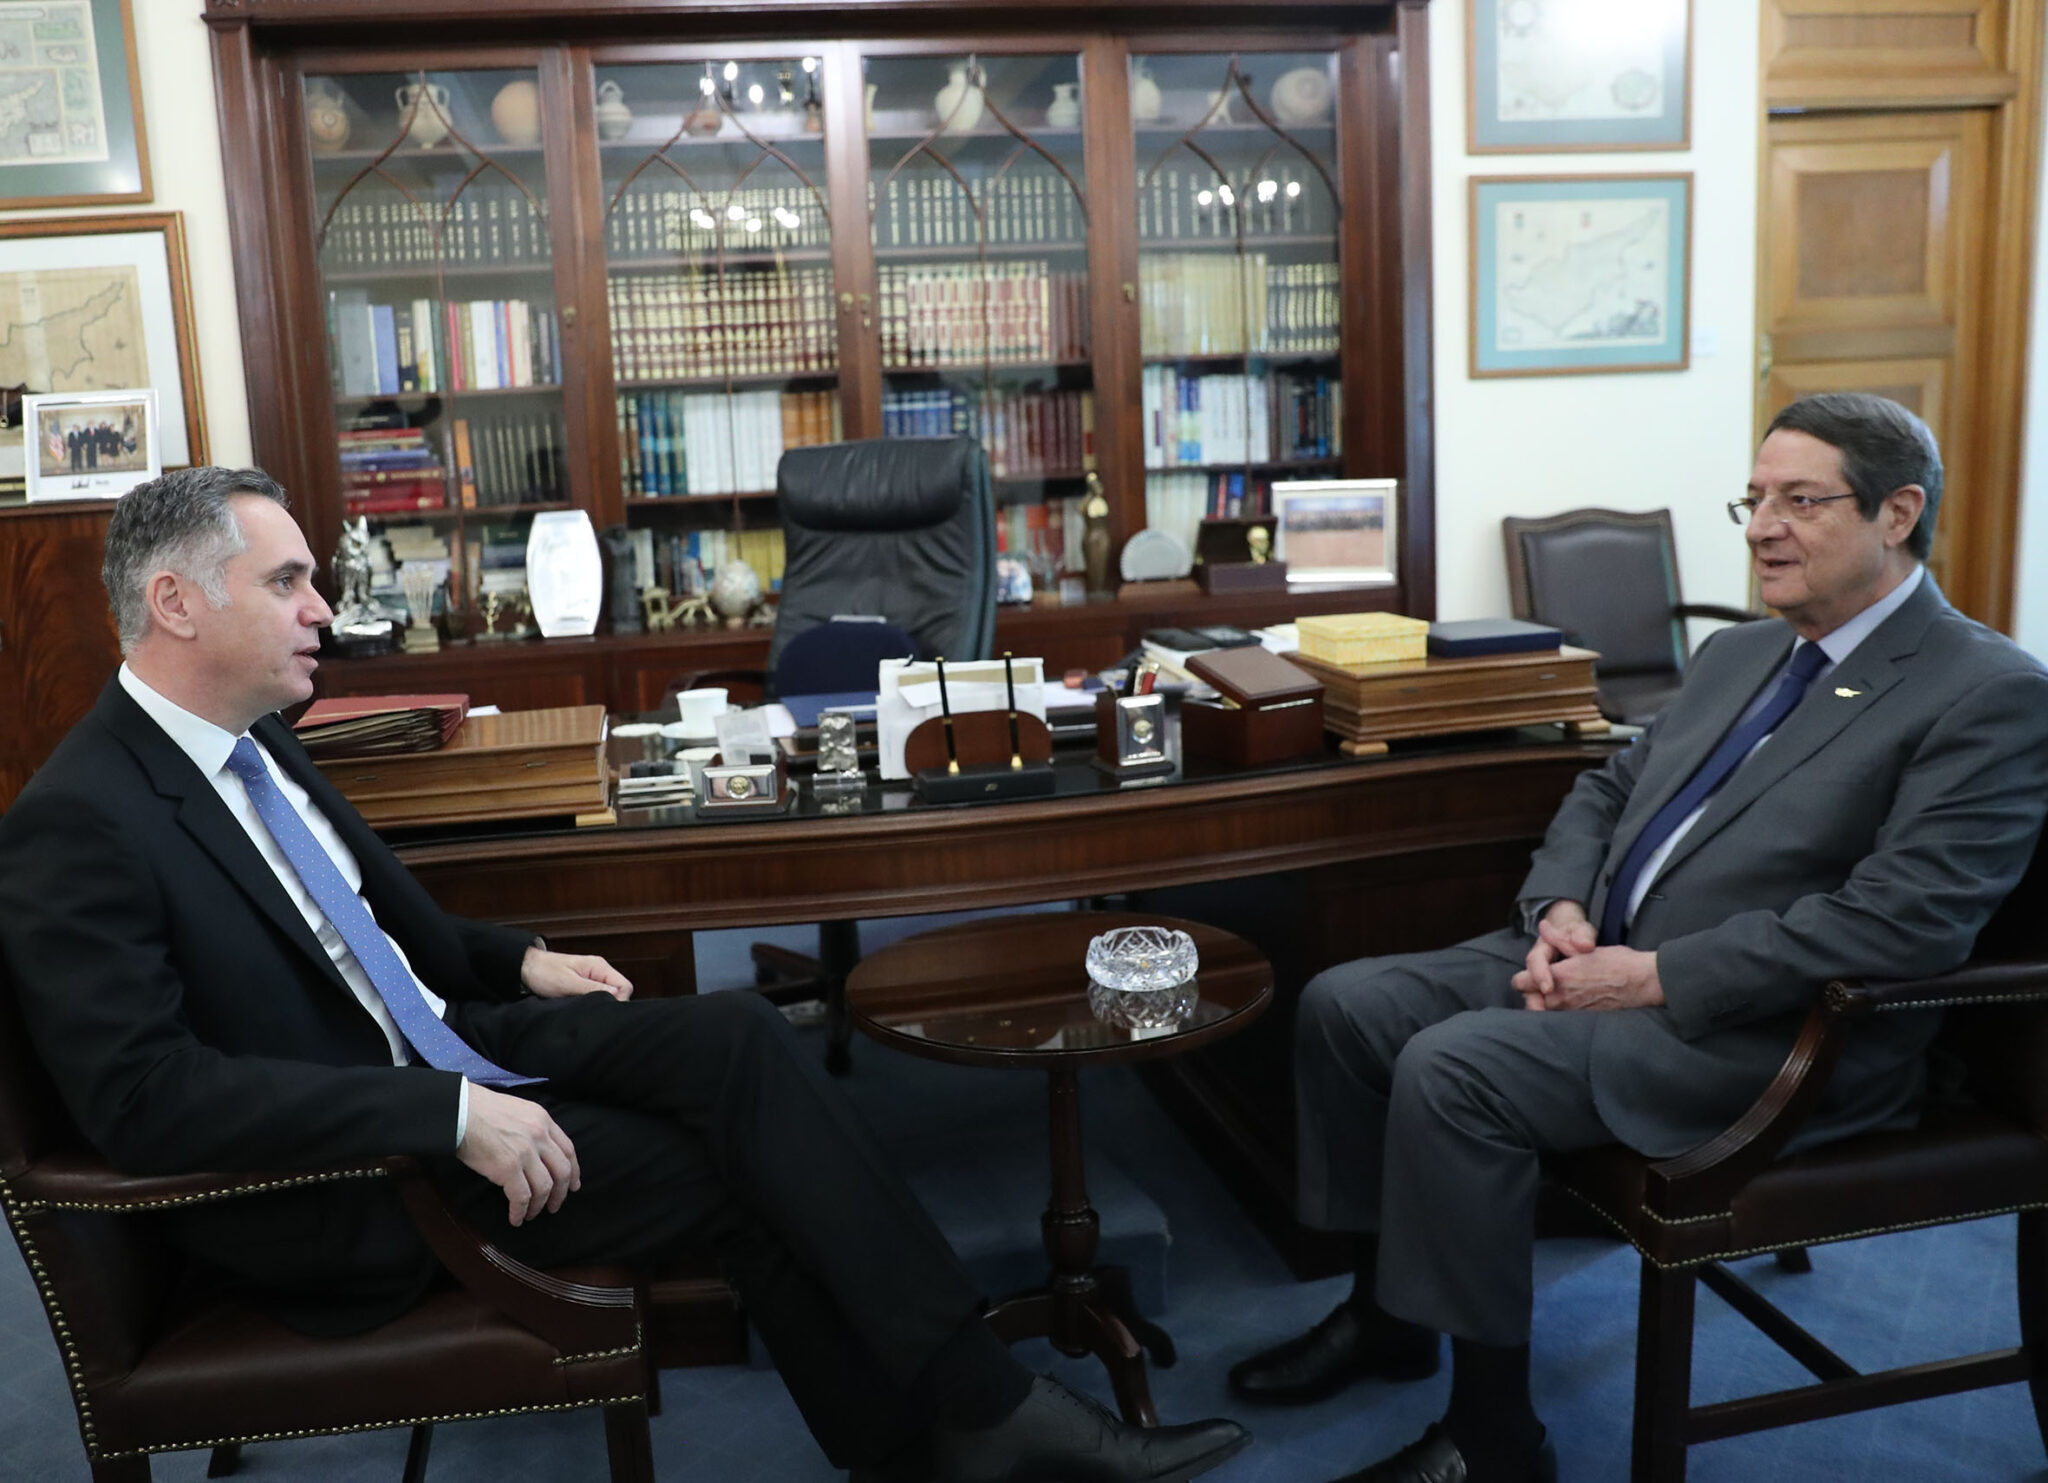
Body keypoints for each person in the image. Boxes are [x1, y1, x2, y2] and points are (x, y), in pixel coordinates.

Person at [0, 466, 1250, 1483]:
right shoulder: (81, 820)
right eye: (288, 582)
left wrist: (522, 959)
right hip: (358, 1167)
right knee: (738, 1173)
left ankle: (968, 1420)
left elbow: (381, 929)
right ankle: (974, 1420)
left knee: (740, 1039)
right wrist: (444, 1113)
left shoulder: (257, 739)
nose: (322, 608)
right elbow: (145, 1100)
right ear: (176, 603)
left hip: (449, 1041)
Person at [1226, 393, 2048, 1483]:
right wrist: (1558, 911)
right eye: (1753, 499)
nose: (1762, 527)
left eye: (1799, 502)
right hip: (1608, 956)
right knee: (1346, 1003)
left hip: (1771, 1035)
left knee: (1454, 1068)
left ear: (1896, 513)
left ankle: (1492, 1442)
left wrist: (1656, 976)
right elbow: (1605, 788)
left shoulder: (1987, 692)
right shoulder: (1739, 652)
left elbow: (1905, 920)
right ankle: (1388, 1316)